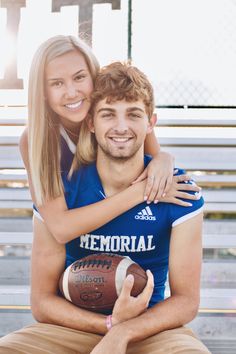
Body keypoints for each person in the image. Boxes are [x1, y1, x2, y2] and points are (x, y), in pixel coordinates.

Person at [0, 62, 210, 354]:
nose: (121, 127)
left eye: (133, 115)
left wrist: (126, 331)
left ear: (151, 123)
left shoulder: (176, 192)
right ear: (90, 123)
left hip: (150, 327)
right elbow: (42, 302)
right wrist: (111, 326)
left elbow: (187, 301)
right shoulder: (62, 190)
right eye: (108, 114)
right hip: (73, 327)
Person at [19, 35, 201, 244]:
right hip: (78, 247)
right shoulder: (37, 138)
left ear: (93, 78)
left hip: (129, 234)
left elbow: (154, 156)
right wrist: (140, 192)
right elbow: (60, 228)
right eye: (57, 83)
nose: (71, 92)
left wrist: (164, 159)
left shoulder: (120, 115)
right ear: (43, 92)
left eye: (79, 77)